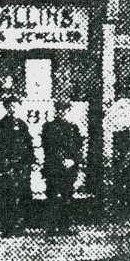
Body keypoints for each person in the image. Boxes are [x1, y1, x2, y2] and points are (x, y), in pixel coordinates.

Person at [0, 89, 35, 236]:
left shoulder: (22, 125)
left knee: (22, 195)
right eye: (10, 106)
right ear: (6, 107)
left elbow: (28, 145)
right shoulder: (0, 125)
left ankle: (20, 225)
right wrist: (1, 163)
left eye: (15, 106)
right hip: (7, 166)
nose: (13, 108)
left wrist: (30, 161)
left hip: (21, 167)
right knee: (8, 196)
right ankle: (8, 227)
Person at [41, 99, 85, 235]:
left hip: (69, 168)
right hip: (53, 167)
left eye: (64, 110)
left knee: (67, 196)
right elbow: (48, 147)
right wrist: (60, 160)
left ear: (68, 111)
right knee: (53, 195)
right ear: (56, 111)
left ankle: (65, 226)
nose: (62, 113)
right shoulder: (48, 127)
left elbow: (78, 147)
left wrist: (73, 160)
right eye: (59, 110)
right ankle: (51, 227)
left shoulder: (73, 128)